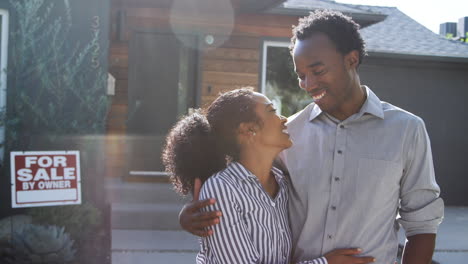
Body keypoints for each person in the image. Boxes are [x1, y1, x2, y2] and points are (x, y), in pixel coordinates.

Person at [179, 10, 444, 264]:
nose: (308, 85)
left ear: (351, 60)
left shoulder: (407, 130)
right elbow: (241, 183)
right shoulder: (288, 135)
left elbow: (422, 224)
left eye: (317, 71)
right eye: (301, 75)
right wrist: (190, 215)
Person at [163, 88, 375, 264]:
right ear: (248, 130)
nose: (283, 119)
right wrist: (326, 263)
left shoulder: (283, 182)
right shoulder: (222, 189)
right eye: (272, 110)